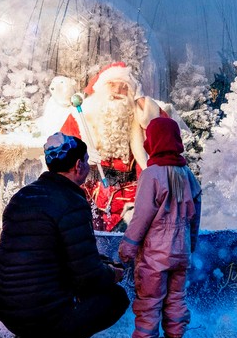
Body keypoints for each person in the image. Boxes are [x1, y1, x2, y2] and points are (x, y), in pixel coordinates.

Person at [0, 133, 130, 338]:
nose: (87, 166)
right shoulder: (71, 202)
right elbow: (88, 277)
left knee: (46, 293)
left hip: (4, 305)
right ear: (78, 165)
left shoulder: (23, 195)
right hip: (37, 308)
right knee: (115, 299)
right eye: (86, 161)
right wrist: (113, 274)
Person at [118, 117, 202, 338]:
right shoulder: (187, 174)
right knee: (176, 297)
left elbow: (142, 216)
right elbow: (195, 215)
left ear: (152, 142)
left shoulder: (151, 174)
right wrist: (191, 243)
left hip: (155, 254)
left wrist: (128, 246)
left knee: (150, 302)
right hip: (181, 252)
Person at [60, 62, 169, 231]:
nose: (118, 91)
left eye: (124, 87)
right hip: (90, 194)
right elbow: (60, 152)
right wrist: (83, 155)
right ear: (101, 88)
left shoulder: (138, 116)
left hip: (131, 196)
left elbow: (165, 130)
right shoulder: (81, 116)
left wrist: (141, 101)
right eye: (112, 85)